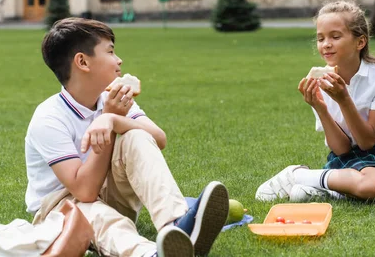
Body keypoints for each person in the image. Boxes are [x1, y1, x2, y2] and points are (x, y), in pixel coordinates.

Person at [25, 17, 229, 257]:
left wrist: (112, 119)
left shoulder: (112, 98)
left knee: (135, 136)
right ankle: (149, 254)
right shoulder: (49, 117)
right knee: (97, 215)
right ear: (82, 61)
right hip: (61, 208)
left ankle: (175, 226)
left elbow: (159, 139)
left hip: (108, 192)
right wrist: (111, 121)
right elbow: (84, 192)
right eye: (110, 52)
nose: (119, 60)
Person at [255, 0, 375, 204]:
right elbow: (341, 149)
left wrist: (343, 99)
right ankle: (297, 175)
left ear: (360, 42)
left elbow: (367, 141)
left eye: (335, 36)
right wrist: (320, 109)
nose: (326, 44)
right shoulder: (318, 81)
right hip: (346, 159)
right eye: (321, 38)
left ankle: (328, 191)